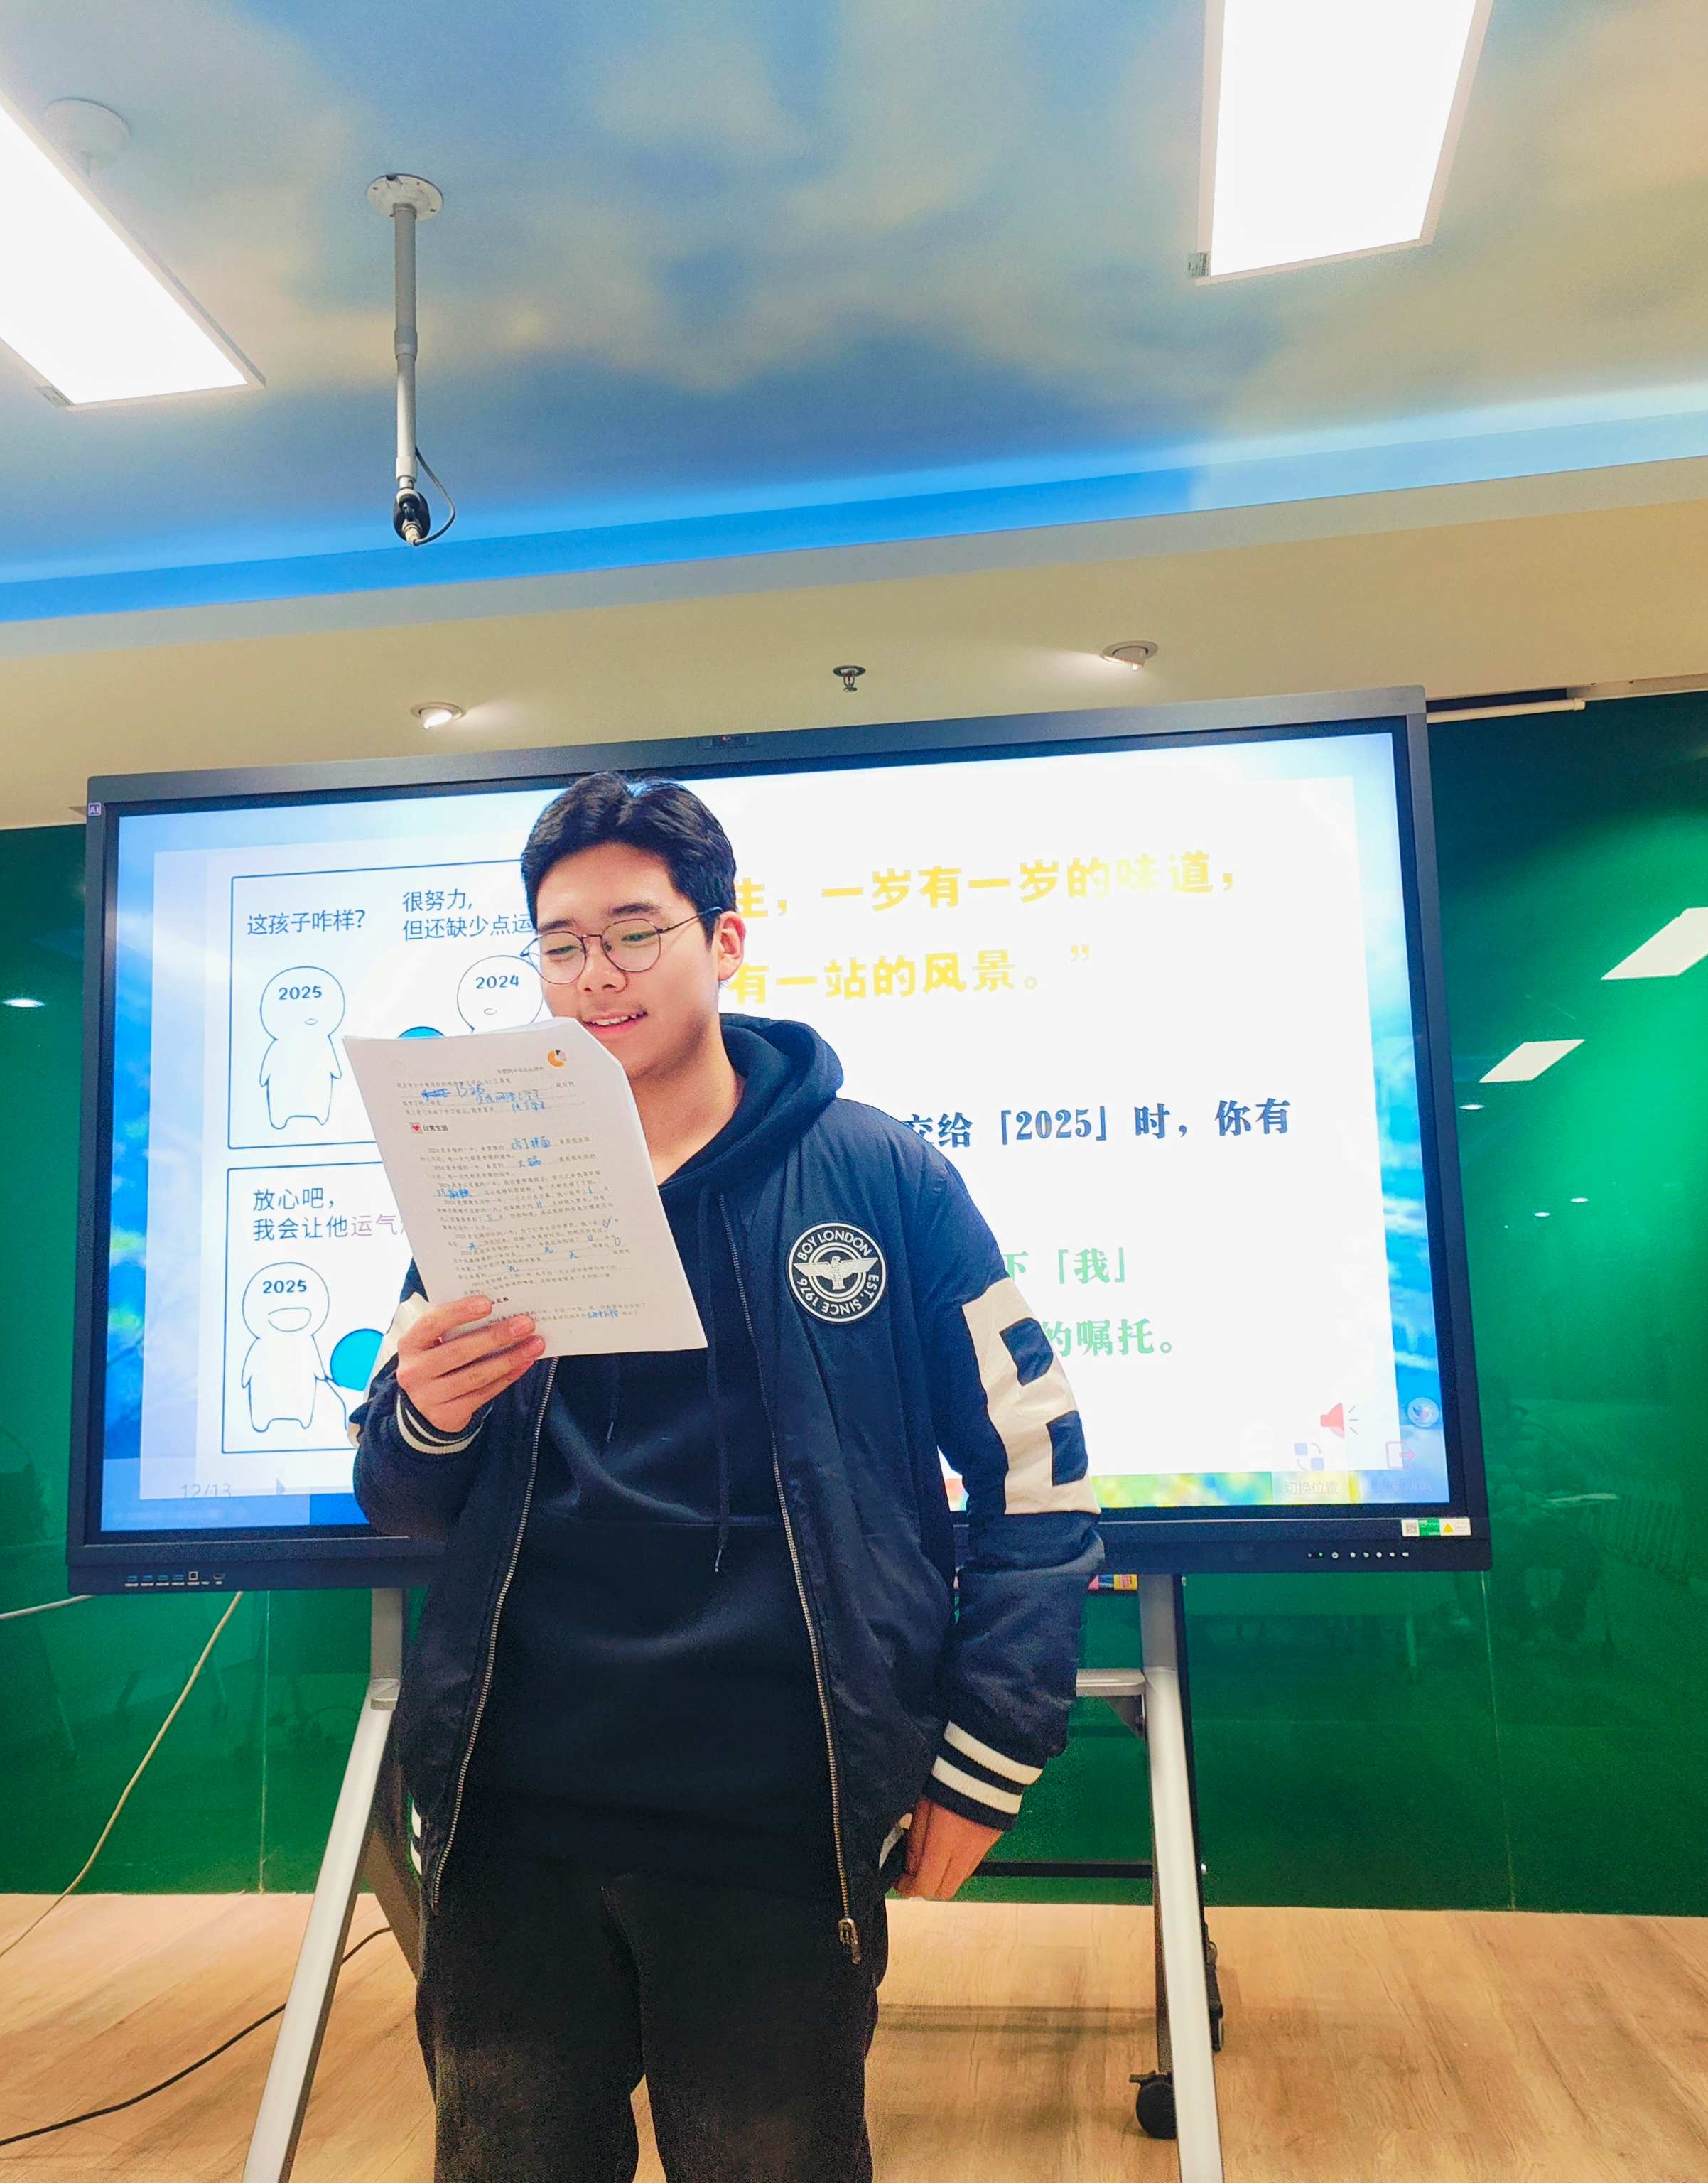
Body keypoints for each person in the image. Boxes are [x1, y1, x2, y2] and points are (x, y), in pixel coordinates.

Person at [350, 772, 1103, 2183]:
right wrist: (426, 1420)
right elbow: (402, 1496)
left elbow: (1037, 1477)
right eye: (562, 943)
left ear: (725, 941)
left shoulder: (878, 1175)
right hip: (512, 1815)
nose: (597, 974)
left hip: (775, 1818)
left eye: (635, 932)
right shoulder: (489, 1173)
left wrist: (988, 1755)